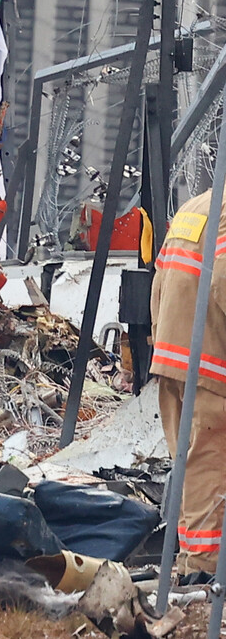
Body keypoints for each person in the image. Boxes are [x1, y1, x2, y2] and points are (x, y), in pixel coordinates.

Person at [151, 188, 226, 584]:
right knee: (210, 469)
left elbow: (160, 279)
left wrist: (160, 340)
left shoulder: (196, 206)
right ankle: (204, 572)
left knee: (187, 464)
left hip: (173, 356)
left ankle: (187, 562)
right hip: (210, 364)